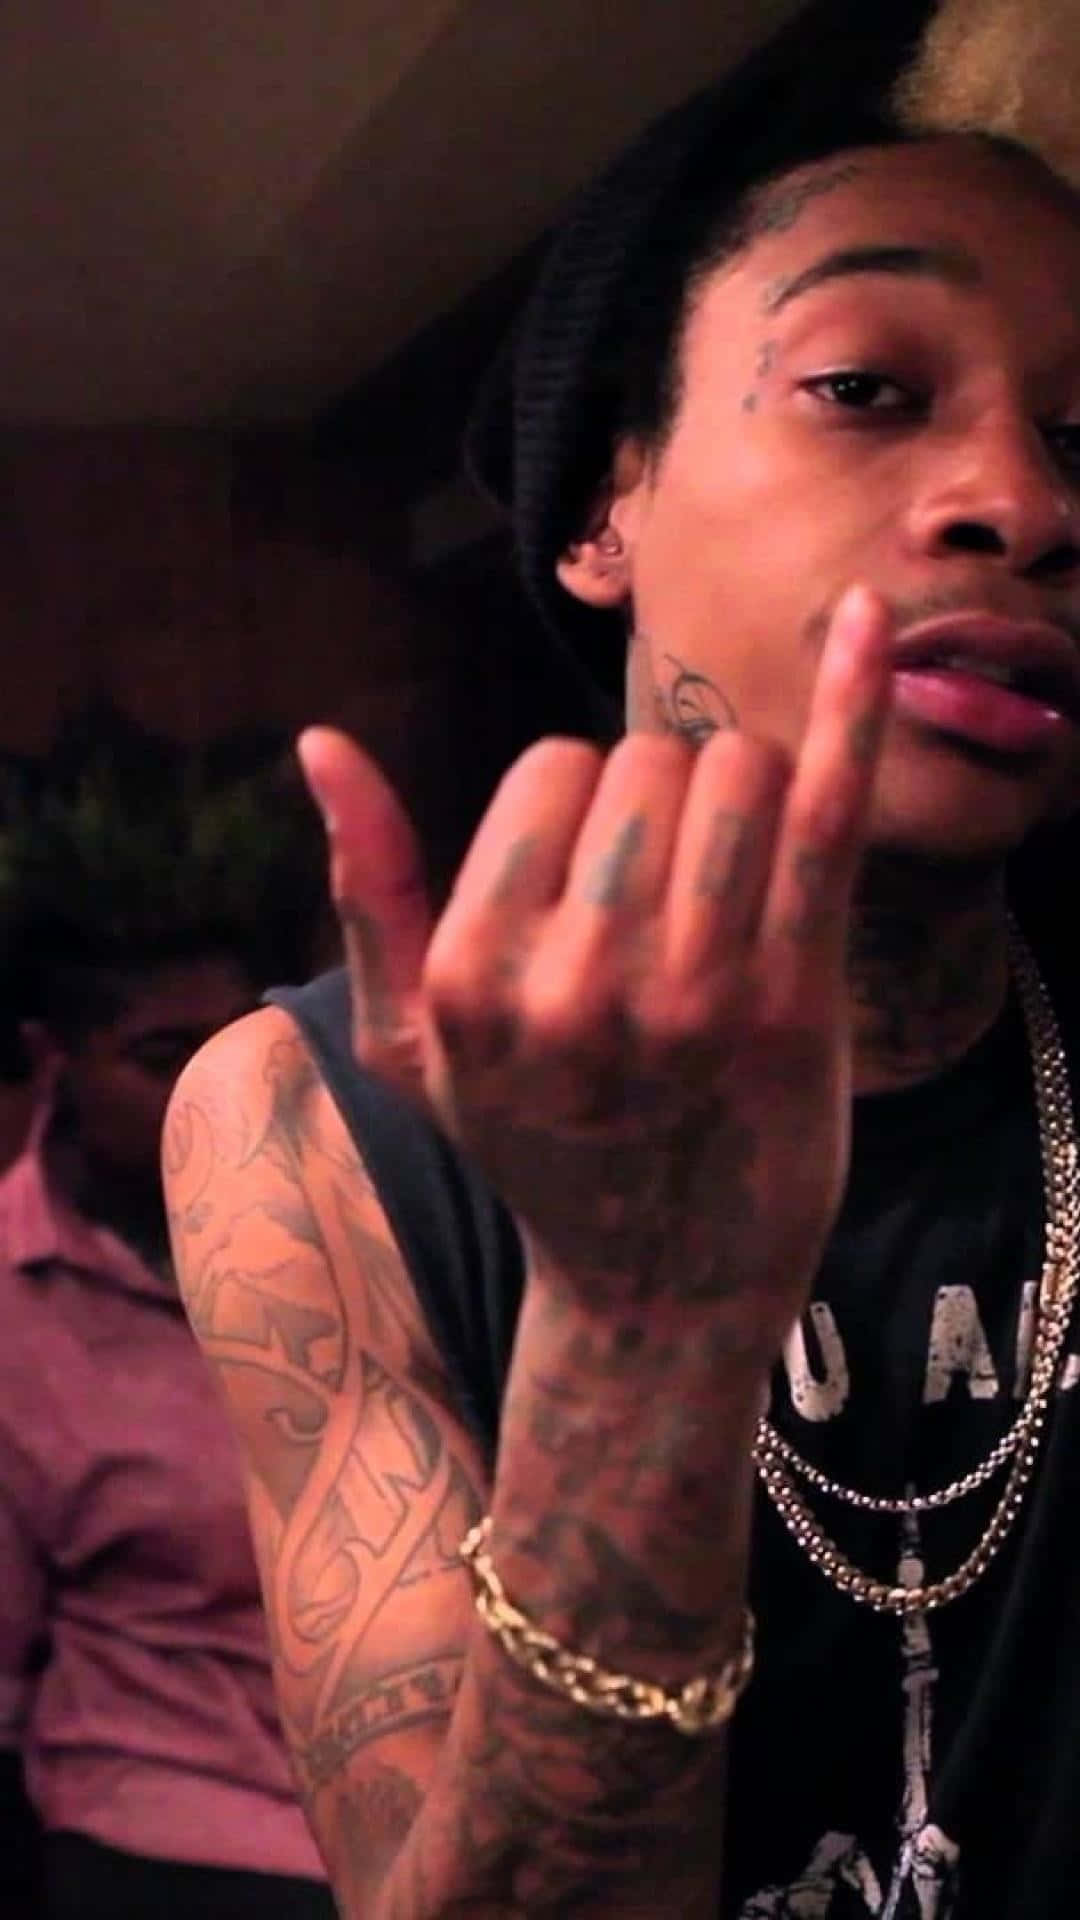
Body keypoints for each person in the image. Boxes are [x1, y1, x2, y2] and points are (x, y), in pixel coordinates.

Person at [164, 1, 1080, 1913]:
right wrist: (638, 1343)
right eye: (868, 386)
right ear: (603, 502)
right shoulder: (310, 1122)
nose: (1028, 503)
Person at [0, 722, 335, 1919]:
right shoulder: (17, 1298)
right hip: (159, 1829)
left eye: (240, 1048)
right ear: (53, 1059)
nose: (216, 1095)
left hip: (410, 1808)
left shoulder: (376, 1219)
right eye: (161, 1058)